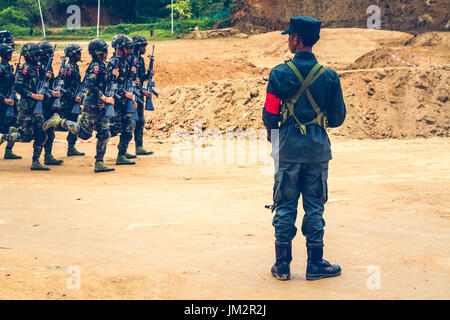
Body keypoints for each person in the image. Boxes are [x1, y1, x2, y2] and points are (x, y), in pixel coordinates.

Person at [262, 16, 346, 281]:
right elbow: (337, 118)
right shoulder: (330, 77)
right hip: (318, 152)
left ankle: (282, 266)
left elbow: (269, 114)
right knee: (315, 206)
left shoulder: (279, 73)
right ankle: (315, 264)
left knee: (285, 205)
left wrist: (277, 139)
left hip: (287, 150)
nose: (288, 40)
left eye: (290, 36)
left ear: (296, 39)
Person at [44, 38, 115, 173]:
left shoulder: (102, 65)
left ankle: (99, 163)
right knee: (84, 133)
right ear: (98, 52)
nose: (107, 52)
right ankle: (59, 121)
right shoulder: (95, 66)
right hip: (92, 105)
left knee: (105, 133)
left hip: (101, 106)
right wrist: (103, 97)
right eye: (105, 50)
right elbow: (90, 84)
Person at [10, 43, 49, 170]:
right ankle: (6, 136)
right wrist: (32, 95)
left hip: (38, 108)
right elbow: (17, 86)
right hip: (27, 107)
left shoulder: (37, 68)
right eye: (36, 54)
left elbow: (43, 81)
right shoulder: (26, 68)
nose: (39, 56)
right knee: (26, 136)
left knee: (41, 133)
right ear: (29, 56)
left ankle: (35, 161)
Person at [107, 34, 137, 165]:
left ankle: (122, 153)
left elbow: (127, 82)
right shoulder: (113, 64)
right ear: (120, 48)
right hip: (116, 103)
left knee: (130, 125)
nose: (130, 50)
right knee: (112, 129)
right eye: (128, 48)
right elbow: (111, 84)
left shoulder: (126, 61)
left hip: (126, 102)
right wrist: (124, 94)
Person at [39, 41, 64, 166]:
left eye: (51, 53)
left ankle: (48, 156)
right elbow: (37, 86)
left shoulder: (47, 66)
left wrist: (59, 77)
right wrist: (50, 90)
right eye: (48, 52)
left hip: (47, 103)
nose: (50, 55)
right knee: (37, 132)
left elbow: (49, 83)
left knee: (50, 132)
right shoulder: (38, 66)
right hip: (38, 104)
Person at [130, 35, 154, 156]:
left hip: (138, 95)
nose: (145, 48)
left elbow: (140, 78)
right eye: (142, 46)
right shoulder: (131, 60)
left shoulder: (140, 60)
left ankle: (139, 147)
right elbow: (130, 81)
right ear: (136, 47)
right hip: (131, 96)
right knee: (130, 122)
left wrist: (148, 75)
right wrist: (142, 91)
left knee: (140, 121)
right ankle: (122, 151)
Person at [59, 44, 85, 157]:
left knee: (73, 122)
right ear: (72, 55)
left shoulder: (74, 66)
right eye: (78, 53)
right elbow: (63, 87)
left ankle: (71, 147)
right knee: (63, 123)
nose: (80, 55)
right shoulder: (69, 68)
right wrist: (73, 97)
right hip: (68, 101)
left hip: (74, 101)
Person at [0, 43, 21, 160]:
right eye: (8, 53)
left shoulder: (9, 68)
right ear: (3, 55)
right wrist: (3, 99)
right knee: (2, 128)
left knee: (14, 126)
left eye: (11, 53)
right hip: (3, 103)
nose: (10, 55)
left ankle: (9, 151)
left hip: (11, 101)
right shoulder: (1, 69)